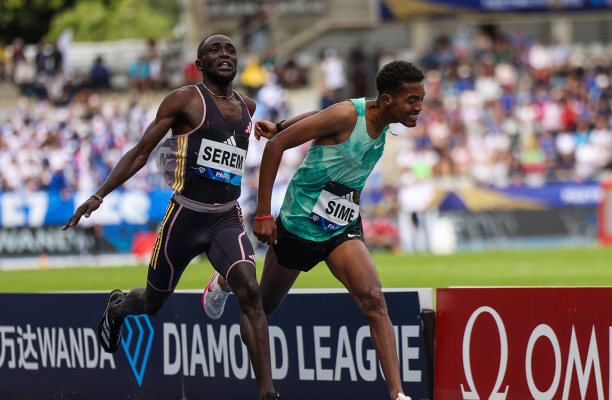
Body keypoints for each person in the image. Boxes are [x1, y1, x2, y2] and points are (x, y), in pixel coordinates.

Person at [62, 34, 282, 400]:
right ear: (199, 64)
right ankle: (117, 309)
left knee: (250, 291)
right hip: (185, 217)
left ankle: (268, 394)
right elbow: (140, 152)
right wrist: (99, 193)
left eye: (230, 50)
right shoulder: (184, 100)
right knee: (151, 304)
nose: (224, 55)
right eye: (215, 50)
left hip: (226, 217)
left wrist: (271, 128)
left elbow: (241, 139)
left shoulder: (248, 105)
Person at [204, 60, 424, 400]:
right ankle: (224, 282)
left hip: (341, 225)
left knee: (374, 299)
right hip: (299, 224)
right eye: (412, 100)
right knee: (263, 305)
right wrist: (263, 213)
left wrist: (280, 124)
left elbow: (313, 118)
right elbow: (276, 147)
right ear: (387, 100)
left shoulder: (380, 115)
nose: (419, 107)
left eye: (420, 99)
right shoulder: (349, 115)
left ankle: (398, 395)